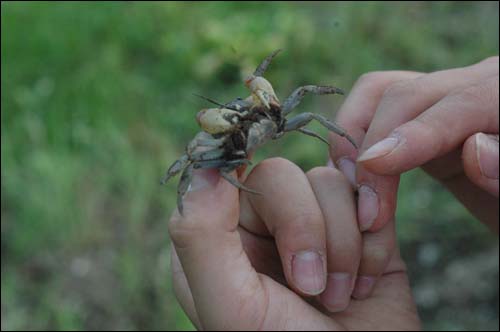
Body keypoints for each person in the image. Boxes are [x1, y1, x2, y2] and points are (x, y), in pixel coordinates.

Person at [167, 56, 498, 330]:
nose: (243, 114)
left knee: (311, 115)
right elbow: (193, 155)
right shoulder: (222, 145)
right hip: (235, 156)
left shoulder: (268, 109)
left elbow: (303, 93)